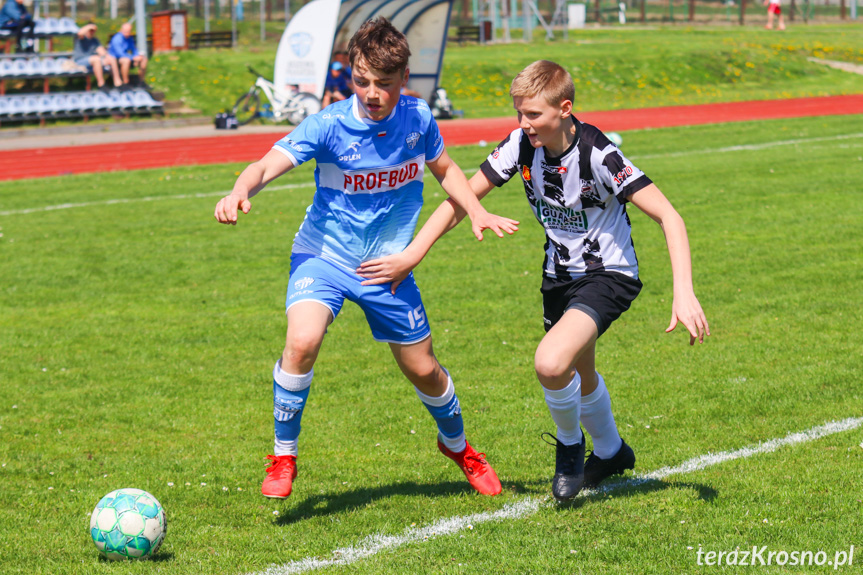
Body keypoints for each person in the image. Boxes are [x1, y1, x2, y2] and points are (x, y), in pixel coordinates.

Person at [357, 60, 710, 502]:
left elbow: (669, 217)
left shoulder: (599, 154)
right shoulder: (521, 146)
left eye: (534, 115)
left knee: (550, 363)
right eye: (519, 114)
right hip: (558, 278)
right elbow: (460, 199)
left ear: (564, 108)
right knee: (580, 371)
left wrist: (684, 292)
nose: (524, 125)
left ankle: (569, 447)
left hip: (608, 275)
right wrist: (412, 255)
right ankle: (612, 451)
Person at [213, 17, 519, 500]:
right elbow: (267, 163)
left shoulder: (418, 119)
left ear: (404, 78)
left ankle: (459, 448)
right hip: (324, 256)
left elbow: (446, 169)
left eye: (383, 83)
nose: (371, 93)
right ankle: (283, 456)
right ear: (350, 72)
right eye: (361, 80)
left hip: (388, 267)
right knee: (302, 340)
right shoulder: (329, 124)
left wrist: (476, 208)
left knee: (423, 369)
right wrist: (240, 189)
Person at [73, 23, 122, 92]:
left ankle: (118, 83)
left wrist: (106, 57)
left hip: (93, 61)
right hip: (80, 61)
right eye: (90, 30)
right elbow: (80, 33)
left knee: (112, 58)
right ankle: (101, 84)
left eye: (93, 30)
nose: (91, 32)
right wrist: (90, 26)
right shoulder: (81, 38)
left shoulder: (94, 40)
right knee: (96, 59)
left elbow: (101, 51)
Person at [108, 22, 148, 88]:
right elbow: (120, 53)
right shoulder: (117, 39)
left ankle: (141, 81)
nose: (127, 33)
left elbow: (133, 49)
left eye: (129, 31)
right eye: (126, 31)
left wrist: (137, 56)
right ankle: (126, 82)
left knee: (143, 59)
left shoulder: (129, 38)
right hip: (115, 59)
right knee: (126, 60)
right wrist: (133, 58)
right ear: (121, 30)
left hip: (126, 57)